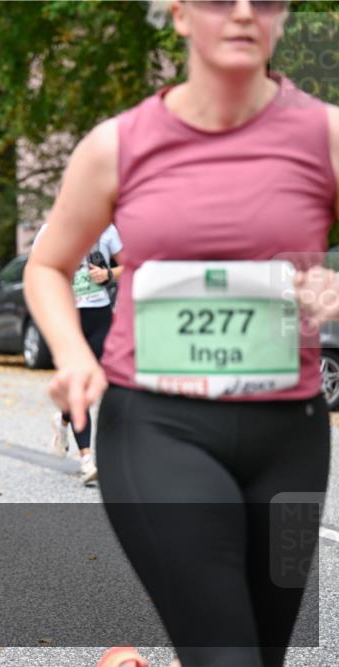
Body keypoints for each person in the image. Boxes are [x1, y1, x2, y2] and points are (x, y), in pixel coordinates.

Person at [24, 1, 338, 666]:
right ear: (179, 14)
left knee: (258, 654)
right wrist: (75, 354)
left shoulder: (325, 136)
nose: (246, 13)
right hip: (159, 429)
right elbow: (49, 265)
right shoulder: (118, 144)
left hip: (291, 441)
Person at [35, 222, 123, 485]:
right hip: (67, 316)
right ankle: (86, 460)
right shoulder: (50, 230)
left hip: (99, 317)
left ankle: (62, 420)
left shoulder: (107, 231)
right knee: (78, 384)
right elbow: (36, 270)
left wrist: (108, 275)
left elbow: (130, 266)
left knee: (92, 384)